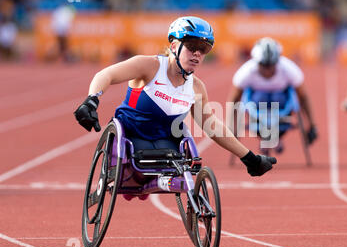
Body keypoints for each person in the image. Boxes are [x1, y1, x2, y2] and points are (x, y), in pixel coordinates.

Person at [74, 16, 276, 179]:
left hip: (165, 143)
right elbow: (105, 75)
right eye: (191, 46)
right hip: (131, 138)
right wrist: (92, 100)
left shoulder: (197, 87)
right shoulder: (149, 66)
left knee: (182, 159)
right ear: (173, 46)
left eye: (203, 49)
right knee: (144, 166)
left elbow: (211, 125)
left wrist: (249, 158)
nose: (197, 53)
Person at [226, 37, 317, 155]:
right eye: (264, 65)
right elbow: (234, 99)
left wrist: (311, 125)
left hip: (282, 109)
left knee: (276, 98)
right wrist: (230, 127)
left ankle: (272, 137)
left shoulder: (289, 69)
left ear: (277, 61)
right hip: (257, 110)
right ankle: (268, 138)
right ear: (257, 62)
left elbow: (303, 97)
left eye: (271, 65)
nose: (268, 70)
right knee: (260, 98)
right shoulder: (246, 72)